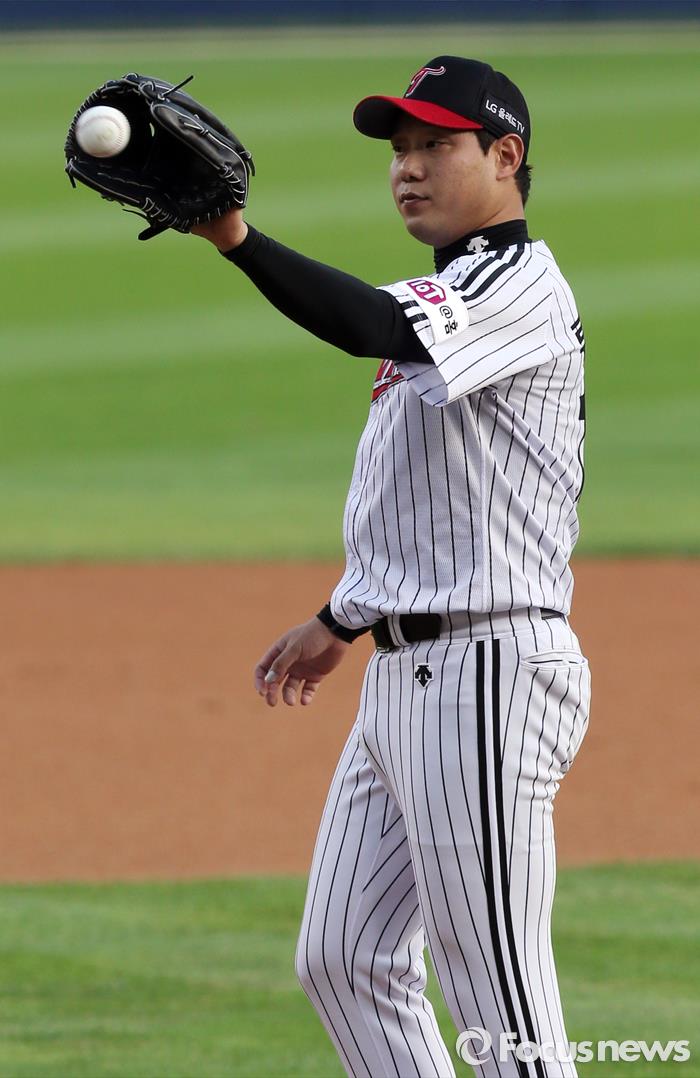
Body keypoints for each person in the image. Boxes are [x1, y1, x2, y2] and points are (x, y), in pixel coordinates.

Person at [193, 55, 590, 1078]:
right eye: (400, 149)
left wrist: (234, 238)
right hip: (407, 673)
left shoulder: (516, 283)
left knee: (499, 1001)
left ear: (505, 156)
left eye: (434, 146)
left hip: (488, 673)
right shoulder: (452, 290)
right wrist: (343, 617)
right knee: (344, 959)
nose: (407, 167)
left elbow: (370, 323)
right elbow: (431, 495)